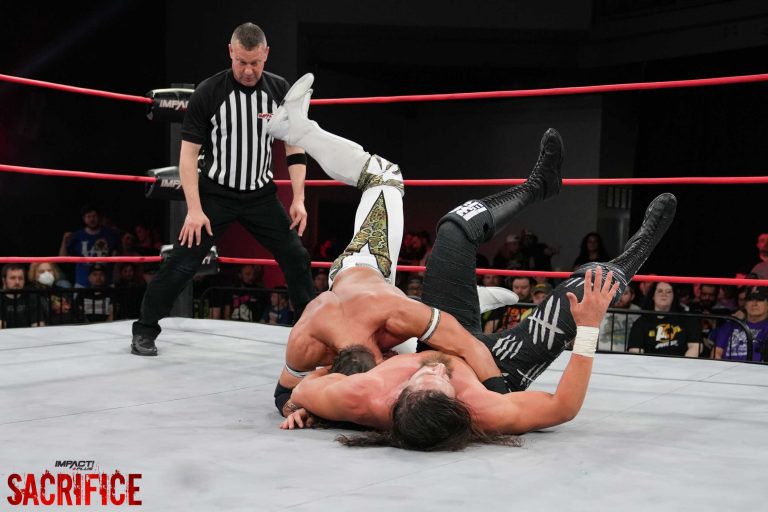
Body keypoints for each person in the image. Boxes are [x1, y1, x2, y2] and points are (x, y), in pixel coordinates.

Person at [282, 172, 676, 450]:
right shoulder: (485, 410)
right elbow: (563, 407)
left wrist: (306, 410)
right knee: (586, 291)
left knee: (453, 230)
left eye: (424, 378)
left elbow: (298, 389)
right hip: (498, 370)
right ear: (459, 404)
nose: (437, 371)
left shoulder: (361, 397)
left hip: (446, 336)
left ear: (396, 398)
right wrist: (588, 329)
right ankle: (639, 250)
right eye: (443, 382)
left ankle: (536, 186)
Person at [268, 73, 519, 416]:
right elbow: (284, 398)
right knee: (421, 351)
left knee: (385, 175)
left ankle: (302, 132)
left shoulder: (320, 336)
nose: (388, 363)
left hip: (364, 264)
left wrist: (501, 404)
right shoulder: (325, 343)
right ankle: (474, 301)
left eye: (382, 362)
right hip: (371, 300)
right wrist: (297, 410)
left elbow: (469, 347)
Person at [131, 23, 315, 356]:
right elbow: (188, 156)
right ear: (231, 52)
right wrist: (194, 209)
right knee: (181, 262)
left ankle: (311, 334)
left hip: (260, 196)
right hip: (215, 194)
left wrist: (299, 198)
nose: (248, 70)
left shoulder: (279, 91)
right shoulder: (209, 91)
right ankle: (144, 330)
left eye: (255, 63)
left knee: (296, 257)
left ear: (266, 54)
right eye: (242, 62)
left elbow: (295, 146)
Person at [627, 282, 702, 357]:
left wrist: (682, 363)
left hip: (680, 362)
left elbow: (696, 346)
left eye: (668, 292)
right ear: (653, 296)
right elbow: (635, 351)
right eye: (660, 291)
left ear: (674, 296)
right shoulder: (641, 322)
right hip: (650, 363)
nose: (664, 294)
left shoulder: (687, 319)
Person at [59, 205, 119, 288]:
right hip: (82, 284)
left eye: (94, 216)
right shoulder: (77, 236)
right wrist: (64, 241)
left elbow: (117, 257)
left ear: (99, 217)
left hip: (106, 283)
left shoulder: (109, 235)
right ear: (84, 218)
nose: (92, 219)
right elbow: (62, 258)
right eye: (88, 216)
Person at [714, 286, 768, 361]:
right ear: (745, 304)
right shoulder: (730, 324)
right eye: (750, 299)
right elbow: (716, 353)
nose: (754, 303)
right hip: (725, 367)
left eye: (760, 299)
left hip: (756, 368)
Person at [598, 285, 641, 352]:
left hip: (627, 355)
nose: (620, 296)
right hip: (600, 353)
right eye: (616, 292)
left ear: (632, 296)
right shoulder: (600, 309)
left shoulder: (638, 312)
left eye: (625, 293)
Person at [1, 264, 45, 328]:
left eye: (20, 278)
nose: (17, 282)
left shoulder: (32, 297)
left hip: (29, 334)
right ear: (4, 280)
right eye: (13, 278)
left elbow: (38, 326)